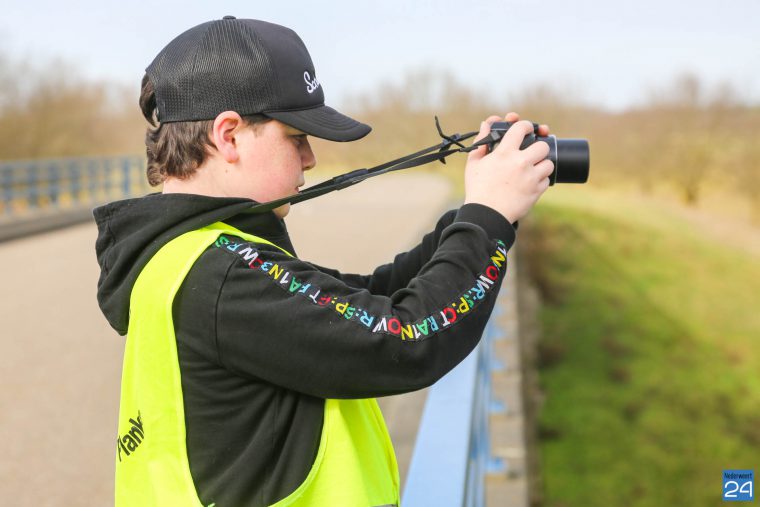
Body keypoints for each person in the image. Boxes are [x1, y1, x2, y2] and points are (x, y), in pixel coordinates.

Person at [94, 16, 554, 507]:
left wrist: (483, 211)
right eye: (297, 137)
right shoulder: (221, 276)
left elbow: (372, 297)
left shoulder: (183, 258)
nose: (310, 158)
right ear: (229, 136)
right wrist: (487, 219)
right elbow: (406, 338)